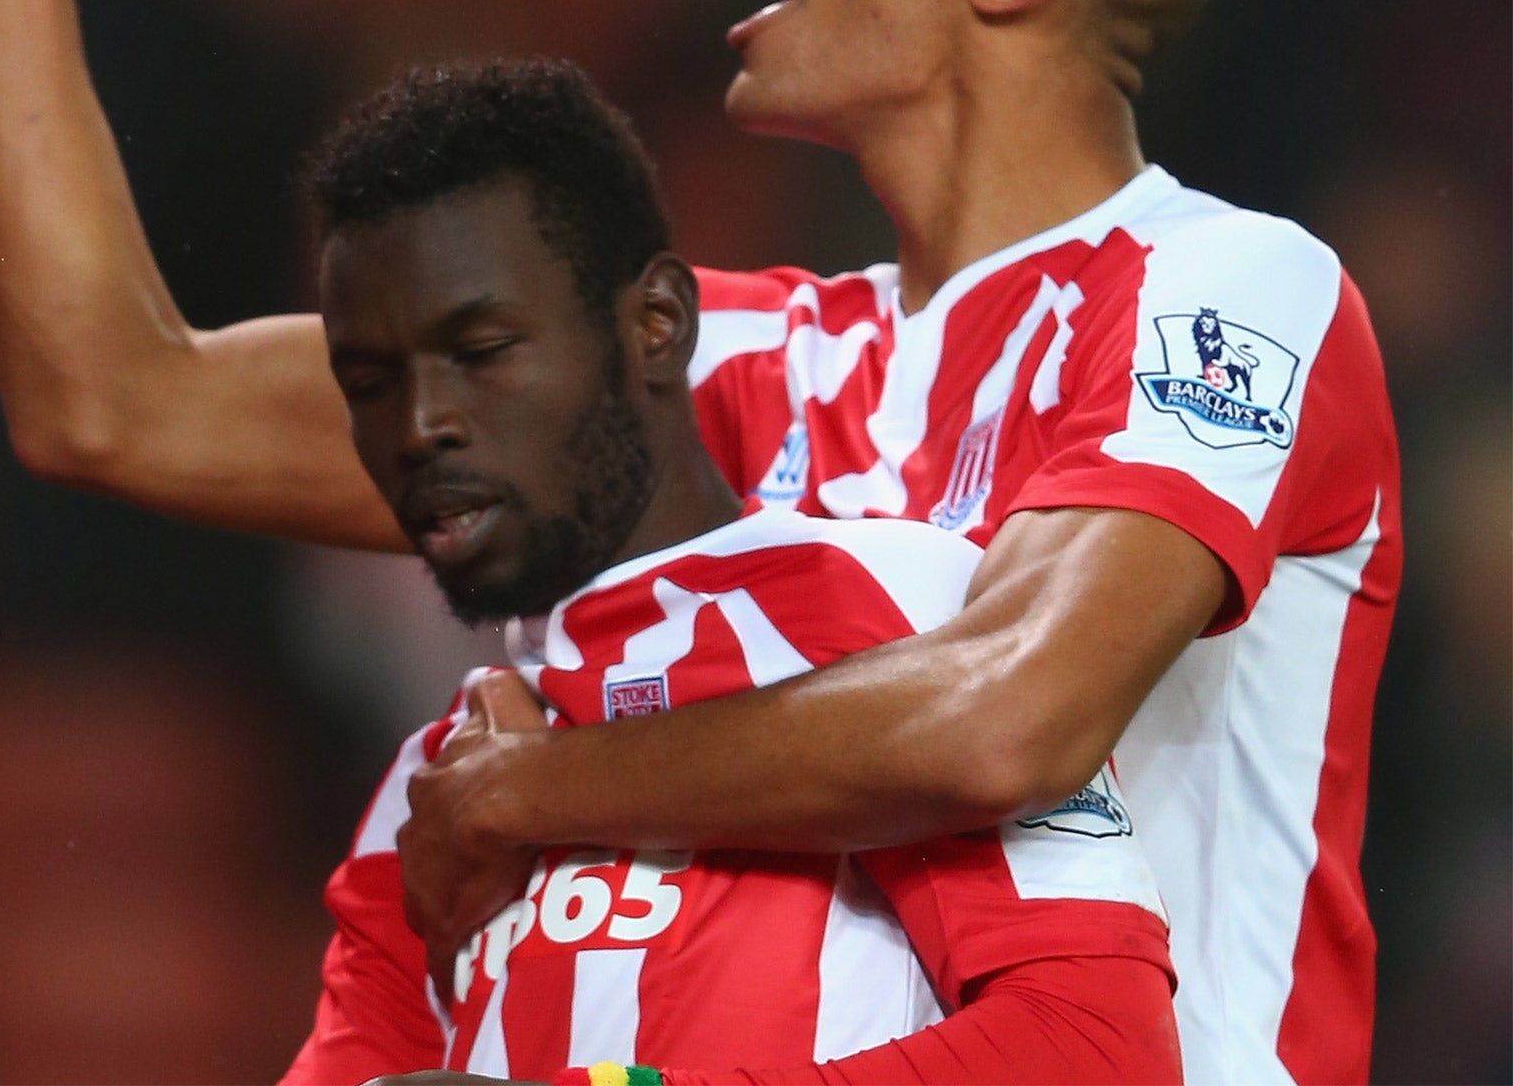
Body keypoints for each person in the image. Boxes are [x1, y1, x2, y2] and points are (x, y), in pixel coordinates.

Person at [0, 0, 1400, 1083]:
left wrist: (537, 789)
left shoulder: (1225, 291)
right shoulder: (748, 361)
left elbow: (1006, 712)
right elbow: (111, 399)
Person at [281, 58, 1178, 1084]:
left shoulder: (900, 619)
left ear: (655, 324)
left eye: (481, 350)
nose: (418, 426)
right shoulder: (432, 792)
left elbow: (1097, 1052)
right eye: (368, 382)